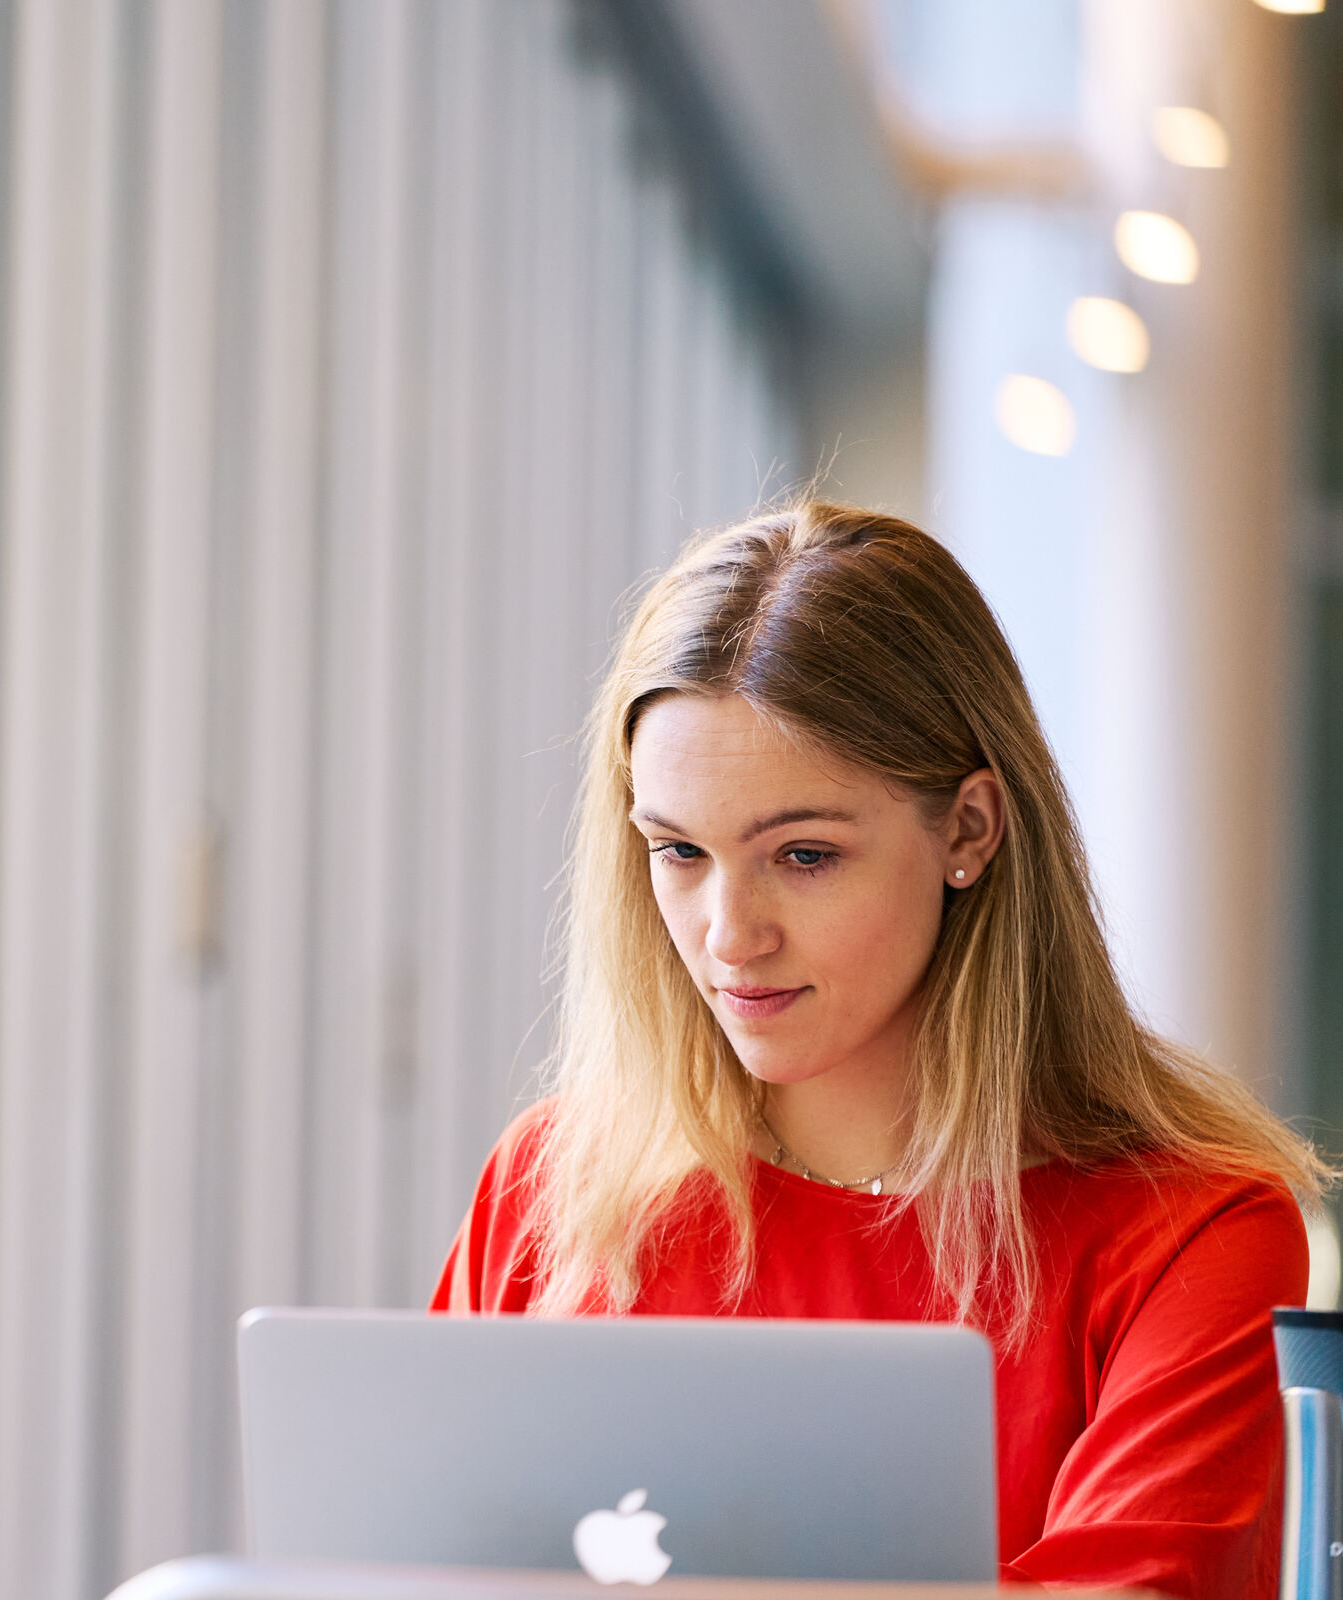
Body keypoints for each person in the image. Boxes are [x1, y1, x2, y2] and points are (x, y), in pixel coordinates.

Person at [432, 501, 1327, 1598]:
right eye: (678, 850)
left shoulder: (1193, 1231)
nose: (728, 934)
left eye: (803, 853)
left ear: (969, 829)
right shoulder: (554, 1189)